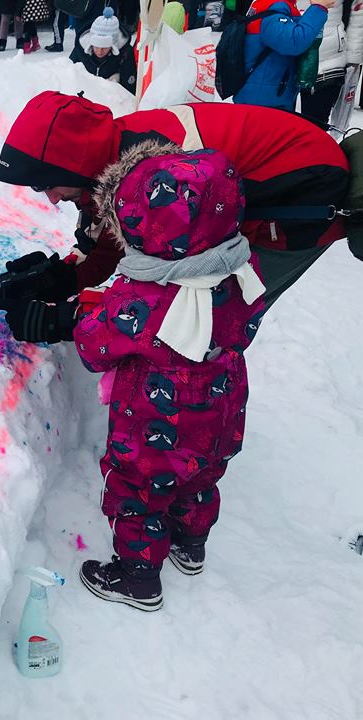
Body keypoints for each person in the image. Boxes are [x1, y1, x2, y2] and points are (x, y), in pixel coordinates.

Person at [74, 147, 265, 611]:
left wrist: (85, 315)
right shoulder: (241, 267)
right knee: (201, 477)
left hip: (156, 418)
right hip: (223, 398)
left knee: (141, 491)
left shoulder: (147, 294)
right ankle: (190, 545)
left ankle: (137, 578)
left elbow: (93, 348)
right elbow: (250, 320)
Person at [0, 91, 350, 333]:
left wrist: (67, 320)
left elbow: (174, 302)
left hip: (300, 200)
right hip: (278, 179)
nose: (50, 198)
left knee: (209, 325)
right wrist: (62, 278)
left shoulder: (169, 177)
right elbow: (116, 237)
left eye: (46, 184)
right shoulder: (110, 157)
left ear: (71, 167)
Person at [234, 0, 333, 110]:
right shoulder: (272, 10)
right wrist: (318, 8)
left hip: (267, 95)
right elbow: (295, 42)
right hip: (263, 102)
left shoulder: (276, 8)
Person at [298, 0, 363, 125]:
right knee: (277, 123)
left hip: (326, 60)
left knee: (314, 125)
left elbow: (358, 14)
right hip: (282, 53)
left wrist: (353, 59)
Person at [75, 7, 137, 93]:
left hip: (111, 97)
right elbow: (68, 69)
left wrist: (121, 78)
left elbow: (131, 86)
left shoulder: (125, 52)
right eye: (96, 47)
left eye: (104, 48)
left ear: (113, 46)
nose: (99, 52)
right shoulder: (81, 48)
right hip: (85, 93)